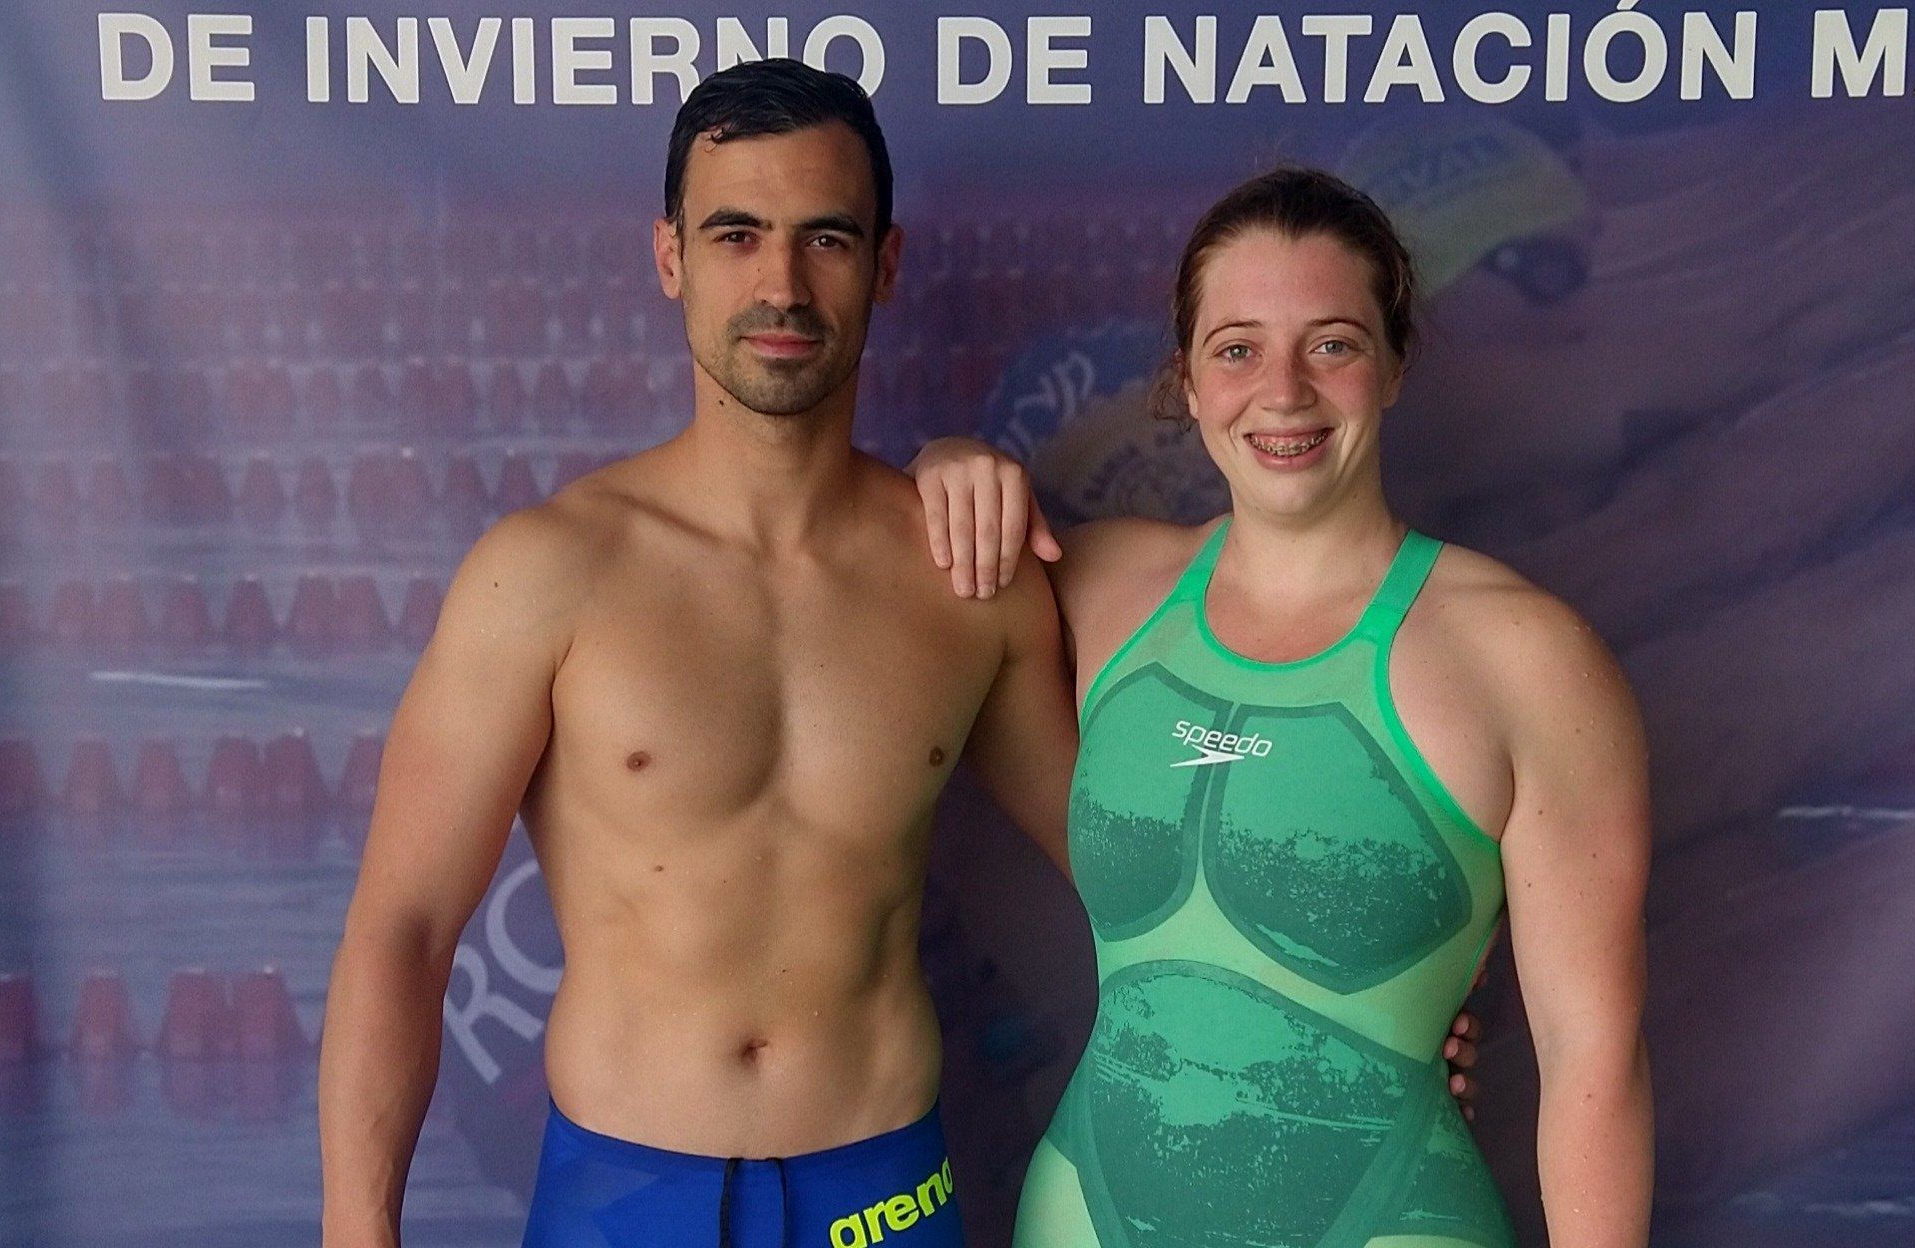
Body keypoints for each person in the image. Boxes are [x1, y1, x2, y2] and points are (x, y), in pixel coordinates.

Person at [317, 62, 1483, 1248]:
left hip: (882, 1195)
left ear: (882, 264)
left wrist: (1369, 997)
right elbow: (400, 931)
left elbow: (1128, 863)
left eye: (825, 237)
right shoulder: (545, 575)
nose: (779, 282)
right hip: (625, 1194)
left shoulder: (962, 578)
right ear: (670, 257)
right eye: (736, 234)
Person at [908, 169, 1653, 1247]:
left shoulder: (1525, 657)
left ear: (1394, 364)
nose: (1284, 391)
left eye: (1333, 343)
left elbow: (1595, 1061)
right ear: (1187, 379)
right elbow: (901, 559)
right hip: (1085, 1213)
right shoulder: (1094, 586)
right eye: (1237, 348)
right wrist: (950, 461)